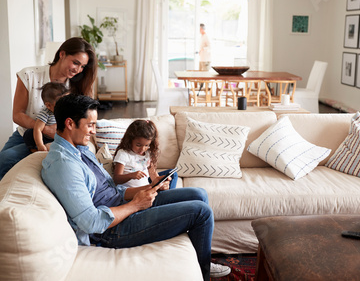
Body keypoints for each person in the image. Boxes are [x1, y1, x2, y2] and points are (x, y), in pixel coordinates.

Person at [41, 94, 231, 280]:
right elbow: (91, 223)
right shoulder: (63, 165)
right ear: (69, 123)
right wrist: (136, 205)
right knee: (201, 212)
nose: (93, 131)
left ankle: (200, 259)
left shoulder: (80, 150)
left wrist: (142, 191)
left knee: (199, 194)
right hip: (111, 229)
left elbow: (112, 189)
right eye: (90, 125)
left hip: (123, 205)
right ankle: (204, 272)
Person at [0, 37, 98, 195]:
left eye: (83, 66)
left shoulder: (77, 86)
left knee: (7, 159)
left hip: (61, 138)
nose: (78, 70)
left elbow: (83, 121)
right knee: (1, 162)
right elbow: (17, 115)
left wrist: (56, 132)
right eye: (76, 62)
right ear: (62, 54)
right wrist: (43, 129)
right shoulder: (29, 75)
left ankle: (6, 199)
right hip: (28, 134)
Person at [112, 119, 178, 189]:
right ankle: (168, 196)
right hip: (134, 192)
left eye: (146, 145)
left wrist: (160, 184)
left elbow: (153, 175)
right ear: (130, 140)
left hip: (148, 188)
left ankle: (167, 194)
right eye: (138, 145)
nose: (142, 149)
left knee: (172, 174)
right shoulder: (123, 154)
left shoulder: (147, 153)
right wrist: (131, 175)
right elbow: (116, 179)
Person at [23, 82, 69, 152]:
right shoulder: (45, 114)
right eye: (61, 104)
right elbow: (38, 129)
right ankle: (34, 150)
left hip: (59, 137)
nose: (65, 107)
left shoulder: (66, 111)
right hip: (46, 139)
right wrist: (40, 145)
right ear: (48, 105)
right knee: (29, 133)